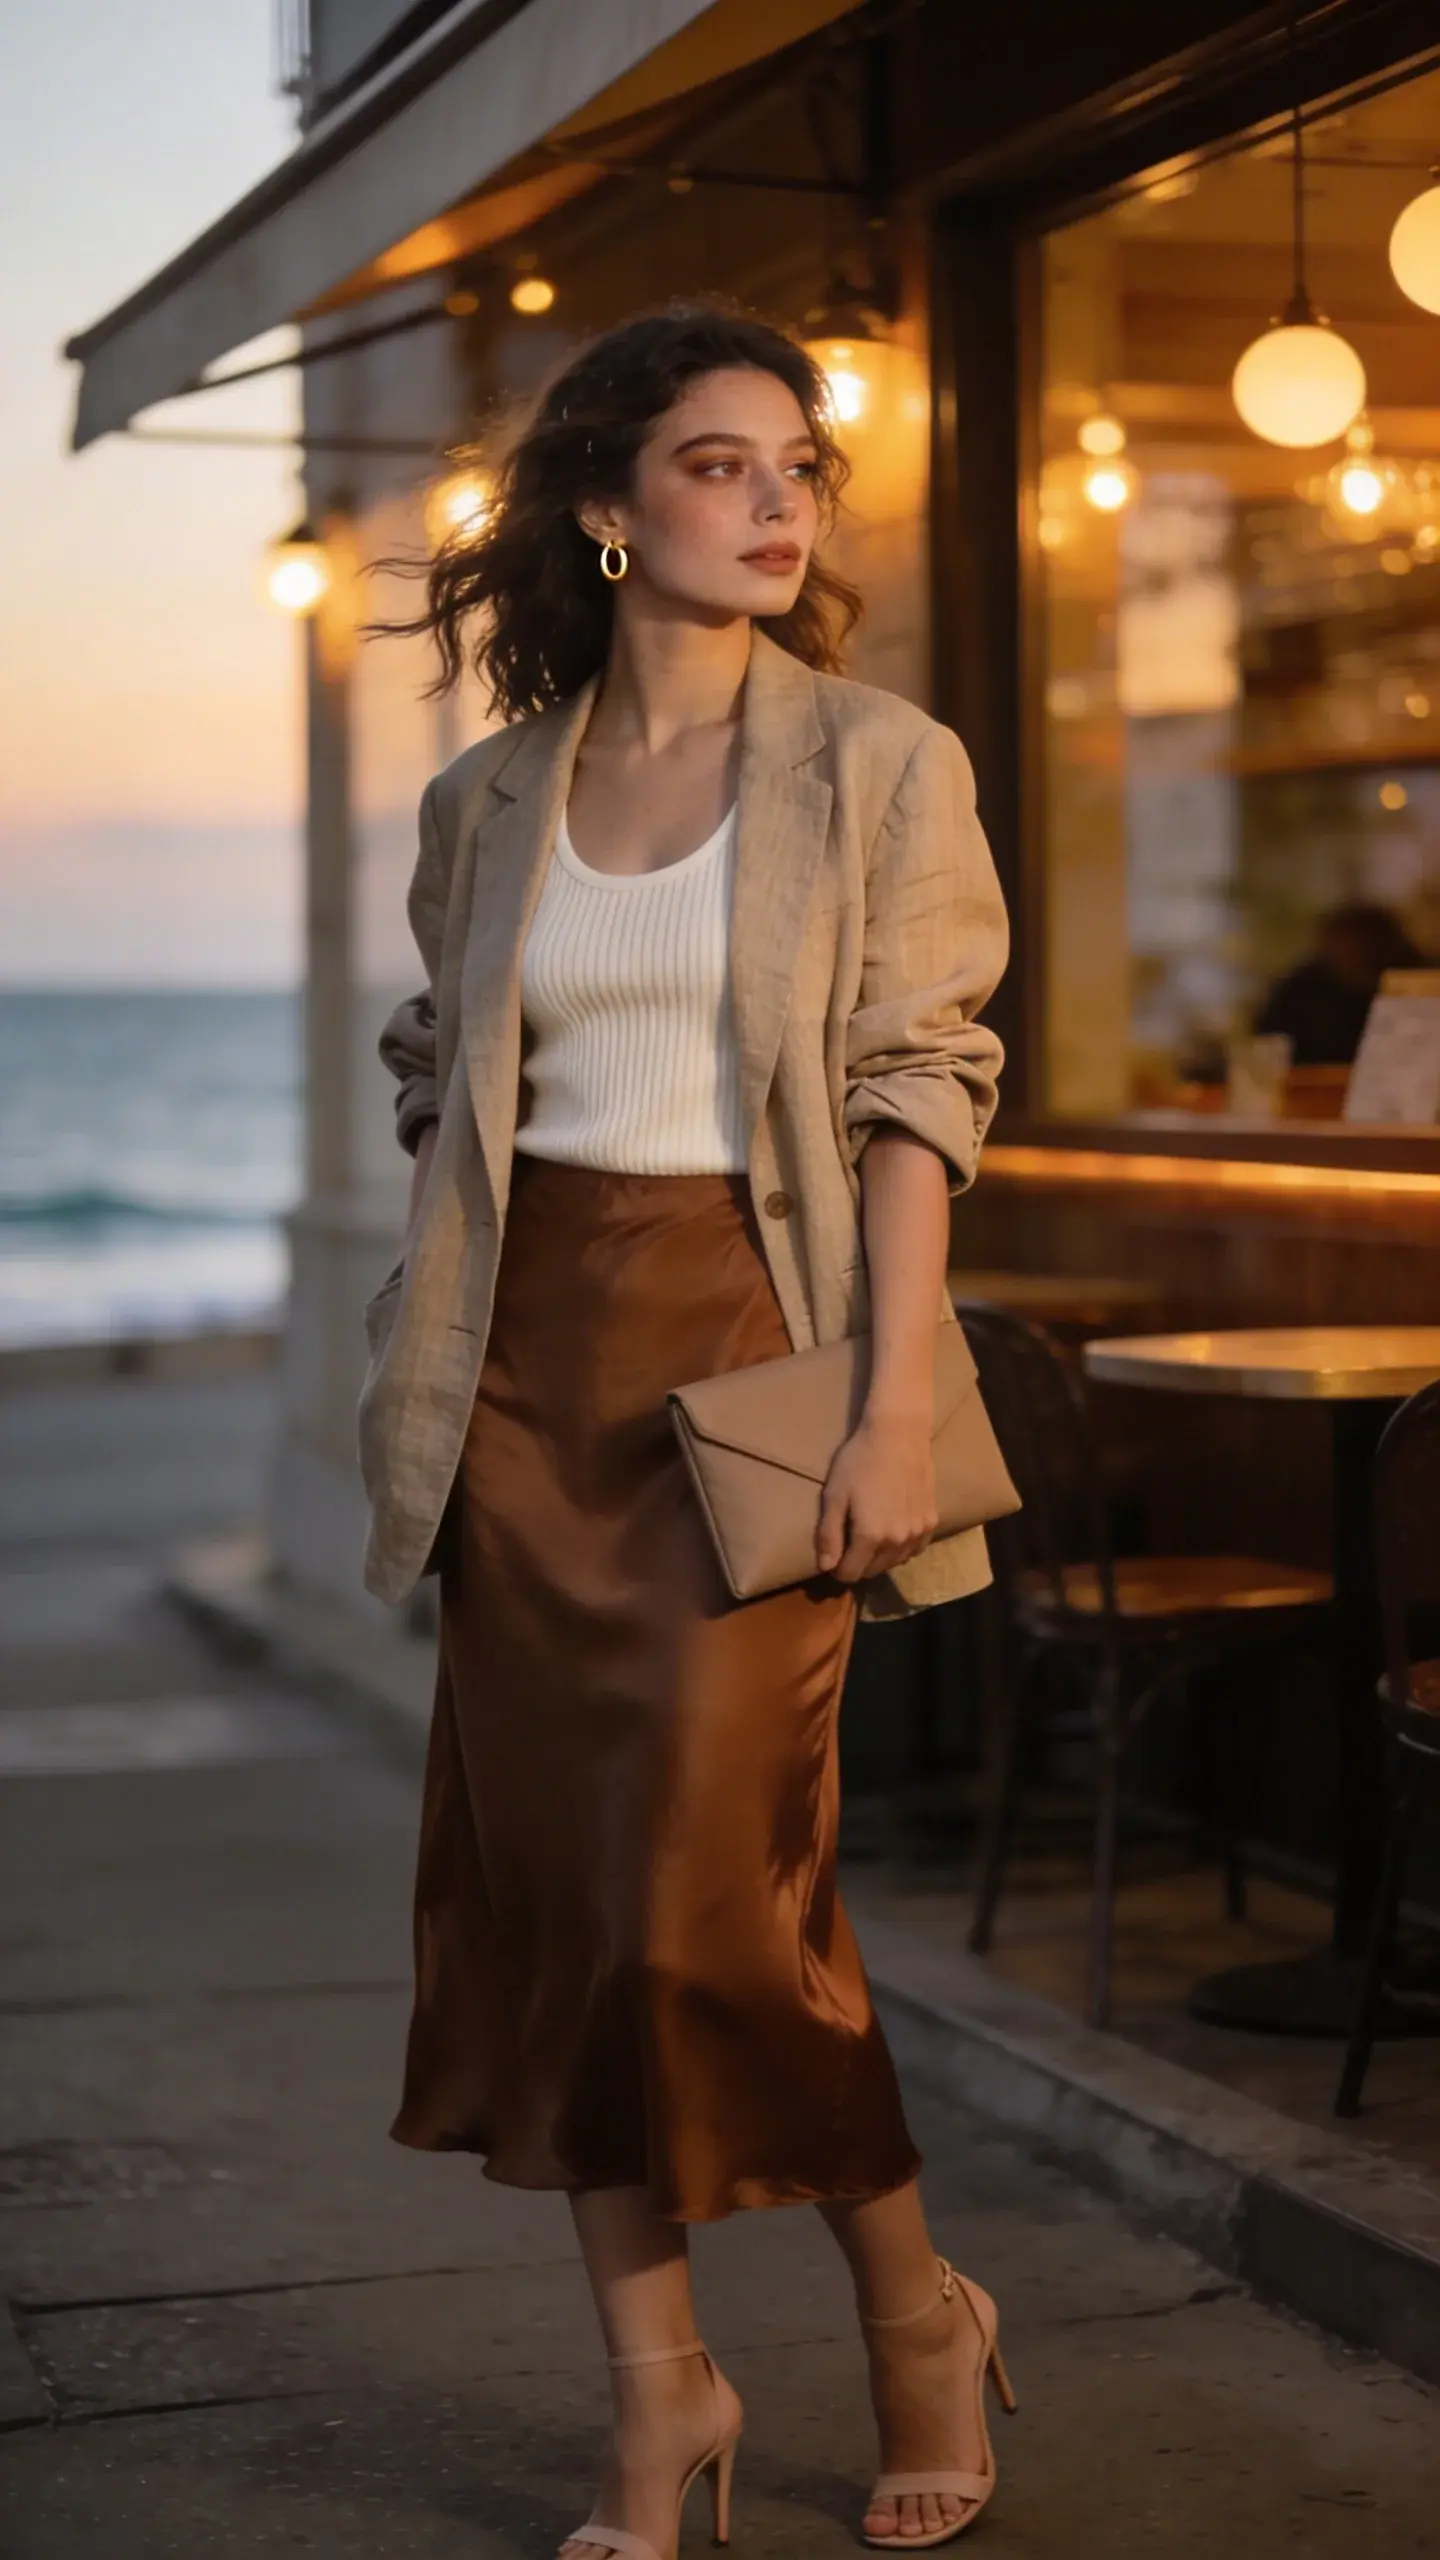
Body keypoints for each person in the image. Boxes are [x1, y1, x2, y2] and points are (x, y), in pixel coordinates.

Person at [357, 300, 1013, 2559]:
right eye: (722, 463)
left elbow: (914, 1080)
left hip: (753, 1374)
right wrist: (436, 1271)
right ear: (606, 509)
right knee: (557, 1911)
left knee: (718, 1909)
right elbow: (440, 1060)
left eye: (796, 467)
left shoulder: (874, 761)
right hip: (518, 1392)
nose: (775, 501)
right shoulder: (481, 796)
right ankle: (663, 2400)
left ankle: (914, 2307)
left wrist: (891, 1391)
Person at [1253, 899, 1426, 1067]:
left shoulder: (1419, 983)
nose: (1347, 951)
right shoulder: (1302, 990)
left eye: (1356, 941)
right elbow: (1269, 1045)